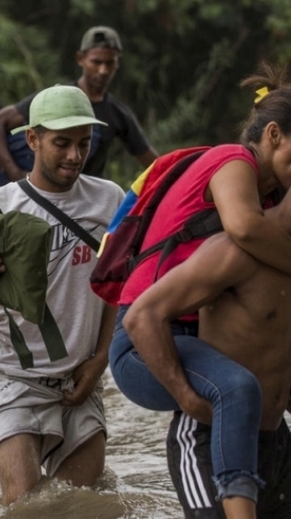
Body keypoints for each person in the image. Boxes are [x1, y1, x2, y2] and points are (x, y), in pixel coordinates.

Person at [109, 64, 291, 519]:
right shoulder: (233, 161)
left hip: (184, 334)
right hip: (145, 339)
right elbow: (245, 230)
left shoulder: (268, 198)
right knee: (235, 387)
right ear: (273, 134)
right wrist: (187, 397)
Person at [0, 85, 124, 505]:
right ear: (33, 140)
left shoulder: (109, 199)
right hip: (11, 377)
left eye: (84, 143)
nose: (75, 156)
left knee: (82, 503)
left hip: (80, 380)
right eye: (62, 143)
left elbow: (118, 287)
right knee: (24, 503)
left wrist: (100, 360)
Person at [122, 189, 291, 519]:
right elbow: (142, 316)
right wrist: (186, 397)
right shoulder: (236, 250)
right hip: (208, 439)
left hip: (276, 444)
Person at [0, 26, 158, 191]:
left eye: (109, 63)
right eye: (96, 62)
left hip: (83, 200)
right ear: (81, 59)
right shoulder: (54, 99)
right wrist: (14, 172)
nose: (103, 71)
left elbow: (153, 164)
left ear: (118, 62)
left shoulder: (118, 114)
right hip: (39, 192)